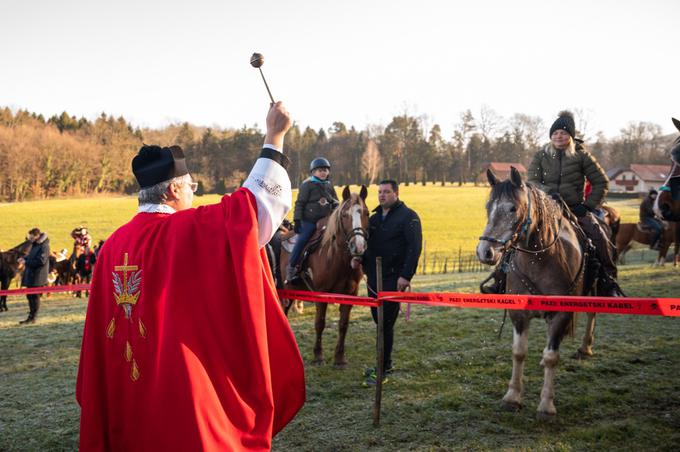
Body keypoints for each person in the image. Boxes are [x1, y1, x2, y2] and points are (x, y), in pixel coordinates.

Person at [76, 102, 305, 451]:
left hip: (127, 394)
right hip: (180, 401)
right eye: (191, 187)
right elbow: (254, 211)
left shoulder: (111, 247)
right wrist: (274, 138)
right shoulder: (185, 231)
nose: (192, 195)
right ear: (173, 191)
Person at [528, 110, 622, 296]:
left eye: (563, 133)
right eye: (555, 133)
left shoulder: (582, 156)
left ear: (570, 136)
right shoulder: (541, 155)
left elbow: (601, 182)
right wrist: (549, 193)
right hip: (545, 208)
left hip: (574, 209)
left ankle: (608, 281)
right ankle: (501, 279)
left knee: (599, 236)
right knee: (516, 231)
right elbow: (531, 181)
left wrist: (588, 205)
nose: (559, 136)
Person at [356, 180, 422, 386]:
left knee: (385, 324)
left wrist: (406, 276)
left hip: (394, 278)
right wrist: (359, 259)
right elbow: (368, 245)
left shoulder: (409, 217)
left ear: (396, 193)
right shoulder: (374, 219)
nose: (382, 195)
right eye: (380, 192)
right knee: (379, 322)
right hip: (374, 278)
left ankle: (382, 370)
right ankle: (386, 362)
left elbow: (414, 248)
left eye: (386, 192)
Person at [285, 157, 339, 283]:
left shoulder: (329, 185)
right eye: (320, 170)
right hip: (309, 221)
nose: (323, 172)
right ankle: (291, 268)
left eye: (325, 170)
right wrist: (297, 220)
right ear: (313, 172)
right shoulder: (307, 185)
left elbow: (335, 201)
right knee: (302, 240)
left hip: (326, 220)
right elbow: (300, 203)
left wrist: (337, 207)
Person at [18, 228, 50, 324]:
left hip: (38, 276)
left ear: (37, 236)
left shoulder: (44, 246)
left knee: (34, 297)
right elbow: (33, 256)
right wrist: (24, 258)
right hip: (31, 274)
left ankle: (33, 317)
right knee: (29, 296)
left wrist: (26, 262)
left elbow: (41, 261)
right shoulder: (35, 245)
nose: (30, 239)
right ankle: (30, 316)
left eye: (31, 237)